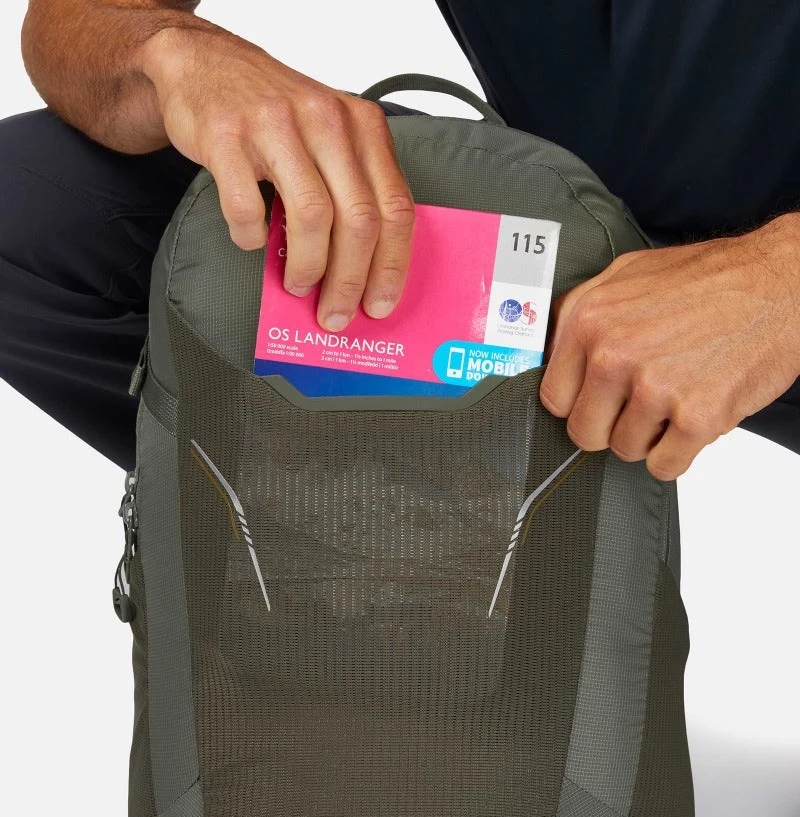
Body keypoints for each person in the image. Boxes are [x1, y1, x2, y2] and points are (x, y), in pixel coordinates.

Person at [2, 0, 799, 476]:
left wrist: (774, 281)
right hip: (564, 236)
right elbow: (77, 19)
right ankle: (378, 594)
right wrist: (170, 52)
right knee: (29, 204)